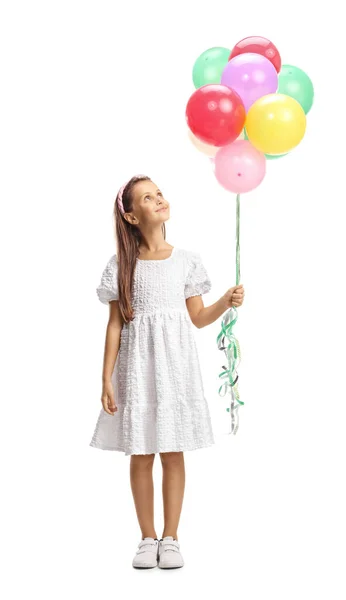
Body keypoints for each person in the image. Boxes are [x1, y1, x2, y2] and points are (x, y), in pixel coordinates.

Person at [89, 174, 245, 569]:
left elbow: (197, 317)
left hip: (174, 368)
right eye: (146, 197)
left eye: (158, 193)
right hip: (138, 367)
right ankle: (146, 537)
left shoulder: (186, 261)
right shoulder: (121, 265)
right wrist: (106, 377)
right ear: (130, 216)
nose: (158, 199)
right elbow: (115, 325)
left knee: (172, 450)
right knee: (141, 452)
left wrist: (225, 301)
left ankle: (171, 538)